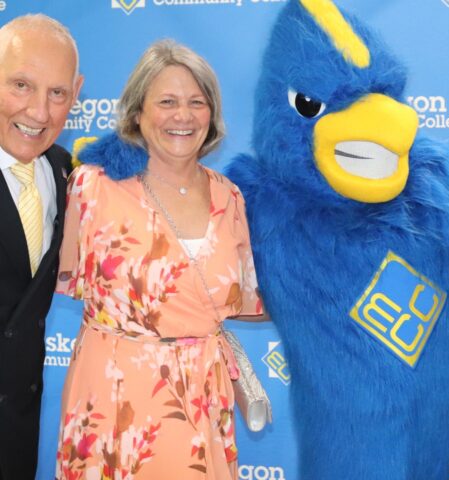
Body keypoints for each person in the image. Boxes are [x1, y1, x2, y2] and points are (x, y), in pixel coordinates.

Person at [54, 40, 263, 479]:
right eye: (166, 102)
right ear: (137, 113)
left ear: (212, 114)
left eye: (196, 102)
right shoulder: (92, 187)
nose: (182, 116)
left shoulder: (231, 197)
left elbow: (246, 299)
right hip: (114, 400)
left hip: (203, 401)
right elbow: (48, 277)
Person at [0, 14, 82, 479]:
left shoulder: (72, 175)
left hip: (16, 440)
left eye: (57, 93)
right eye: (21, 85)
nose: (39, 112)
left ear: (77, 92)